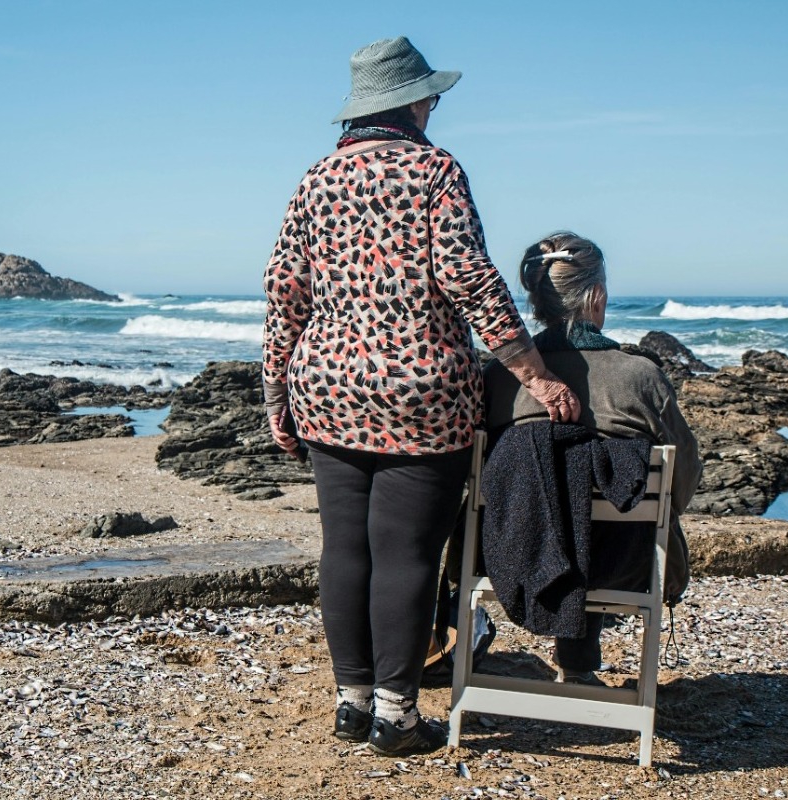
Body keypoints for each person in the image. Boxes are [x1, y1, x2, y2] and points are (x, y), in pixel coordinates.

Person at [261, 36, 581, 756]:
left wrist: (276, 392)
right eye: (430, 95)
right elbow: (468, 276)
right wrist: (534, 371)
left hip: (329, 384)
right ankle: (396, 717)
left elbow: (285, 291)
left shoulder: (316, 179)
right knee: (405, 552)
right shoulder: (435, 170)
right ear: (411, 101)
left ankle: (351, 702)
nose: (434, 105)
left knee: (344, 548)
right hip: (422, 391)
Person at [482, 231, 702, 685]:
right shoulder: (639, 377)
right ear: (596, 296)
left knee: (554, 501)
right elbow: (684, 477)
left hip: (507, 556)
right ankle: (580, 667)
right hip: (622, 563)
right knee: (603, 518)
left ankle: (571, 666)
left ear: (537, 301)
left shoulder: (499, 378)